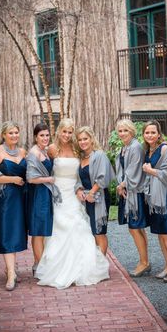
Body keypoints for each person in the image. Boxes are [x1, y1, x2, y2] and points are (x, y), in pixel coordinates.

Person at [34, 118, 110, 289]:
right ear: (59, 131)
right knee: (60, 227)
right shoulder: (52, 149)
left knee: (79, 226)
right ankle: (56, 267)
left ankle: (83, 268)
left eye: (70, 132)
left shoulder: (77, 149)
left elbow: (81, 174)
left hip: (75, 193)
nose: (67, 135)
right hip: (58, 193)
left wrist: (80, 190)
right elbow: (37, 158)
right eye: (64, 131)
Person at [0, 121, 27, 291]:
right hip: (2, 199)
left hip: (20, 198)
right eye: (10, 133)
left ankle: (11, 269)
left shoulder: (23, 151)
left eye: (16, 132)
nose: (14, 136)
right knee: (8, 234)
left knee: (16, 233)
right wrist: (12, 179)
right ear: (3, 135)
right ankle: (11, 274)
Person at [142, 120, 167, 283]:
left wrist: (152, 171)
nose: (150, 135)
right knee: (160, 232)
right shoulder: (148, 150)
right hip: (155, 196)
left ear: (159, 134)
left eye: (153, 132)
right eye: (147, 132)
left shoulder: (166, 149)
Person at [115, 119, 150, 277]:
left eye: (125, 130)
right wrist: (121, 185)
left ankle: (144, 263)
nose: (122, 133)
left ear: (132, 131)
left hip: (135, 193)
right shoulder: (125, 147)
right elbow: (122, 169)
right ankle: (145, 261)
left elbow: (134, 170)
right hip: (128, 191)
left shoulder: (135, 147)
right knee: (137, 228)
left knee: (135, 228)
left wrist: (122, 185)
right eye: (120, 130)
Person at [26, 122, 61, 276]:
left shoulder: (44, 151)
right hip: (38, 195)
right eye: (42, 135)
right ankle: (39, 266)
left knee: (42, 230)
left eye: (47, 135)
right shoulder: (34, 153)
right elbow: (30, 178)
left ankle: (37, 264)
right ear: (35, 137)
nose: (45, 138)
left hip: (45, 194)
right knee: (38, 232)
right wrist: (49, 180)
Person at [75, 126, 115, 255]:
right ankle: (94, 262)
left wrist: (92, 192)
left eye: (85, 139)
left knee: (99, 231)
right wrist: (79, 189)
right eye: (80, 140)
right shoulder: (81, 158)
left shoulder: (99, 155)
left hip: (99, 198)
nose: (83, 142)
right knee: (90, 232)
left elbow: (103, 177)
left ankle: (102, 265)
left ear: (91, 139)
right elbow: (78, 178)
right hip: (85, 199)